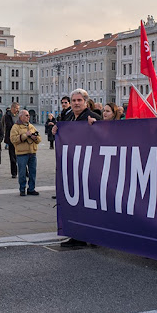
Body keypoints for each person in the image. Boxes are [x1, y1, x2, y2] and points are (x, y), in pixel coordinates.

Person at [52, 89, 102, 246]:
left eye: (79, 100)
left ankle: (93, 236)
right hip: (72, 167)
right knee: (75, 204)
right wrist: (55, 130)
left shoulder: (92, 117)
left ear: (86, 102)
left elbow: (104, 136)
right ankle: (77, 235)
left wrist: (96, 127)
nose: (76, 103)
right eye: (73, 100)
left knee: (89, 205)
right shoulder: (68, 117)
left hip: (88, 168)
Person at [10, 110, 41, 196]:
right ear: (21, 116)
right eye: (26, 115)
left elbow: (39, 139)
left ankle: (31, 188)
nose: (28, 117)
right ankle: (22, 189)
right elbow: (13, 139)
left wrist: (35, 137)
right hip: (21, 153)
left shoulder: (31, 126)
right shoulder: (15, 127)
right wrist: (25, 135)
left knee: (33, 172)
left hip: (32, 152)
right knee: (22, 173)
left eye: (28, 115)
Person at [3, 102, 20, 178]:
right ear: (12, 108)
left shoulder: (19, 115)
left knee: (21, 155)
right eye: (16, 108)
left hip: (19, 138)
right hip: (11, 138)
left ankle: (24, 171)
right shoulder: (7, 116)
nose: (17, 110)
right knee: (12, 156)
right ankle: (14, 172)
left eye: (18, 108)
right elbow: (8, 125)